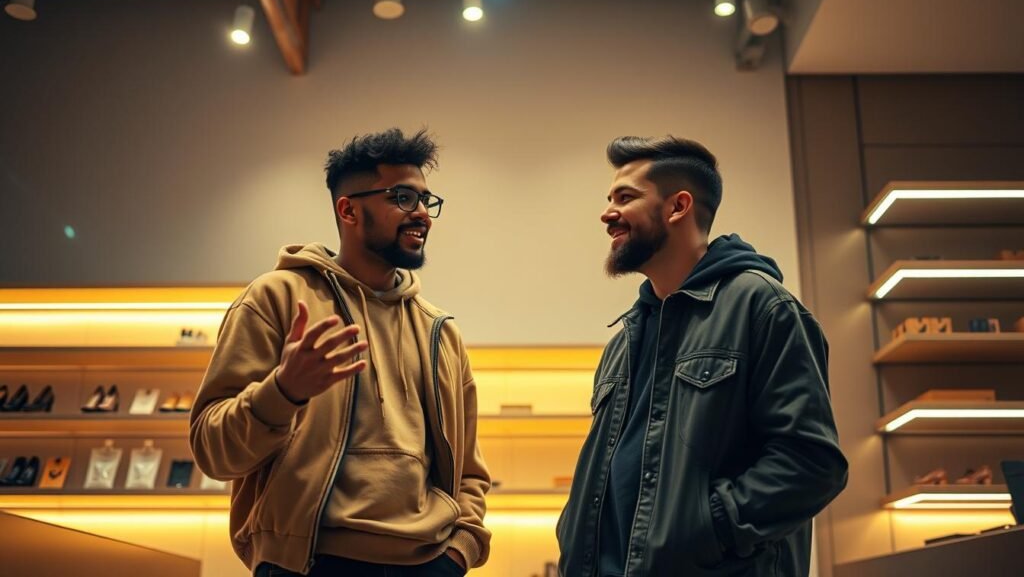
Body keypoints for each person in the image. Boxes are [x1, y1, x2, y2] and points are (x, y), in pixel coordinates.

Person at [190, 128, 490, 577]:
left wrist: (460, 549)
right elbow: (213, 451)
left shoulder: (439, 331)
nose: (423, 214)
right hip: (306, 562)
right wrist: (283, 391)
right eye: (404, 198)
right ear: (348, 209)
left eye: (428, 201)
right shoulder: (276, 298)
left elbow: (469, 471)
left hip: (428, 563)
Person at [557, 135, 848, 577]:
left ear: (678, 207)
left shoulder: (762, 306)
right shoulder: (626, 337)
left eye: (625, 197)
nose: (607, 212)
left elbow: (810, 464)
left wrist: (705, 528)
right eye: (609, 197)